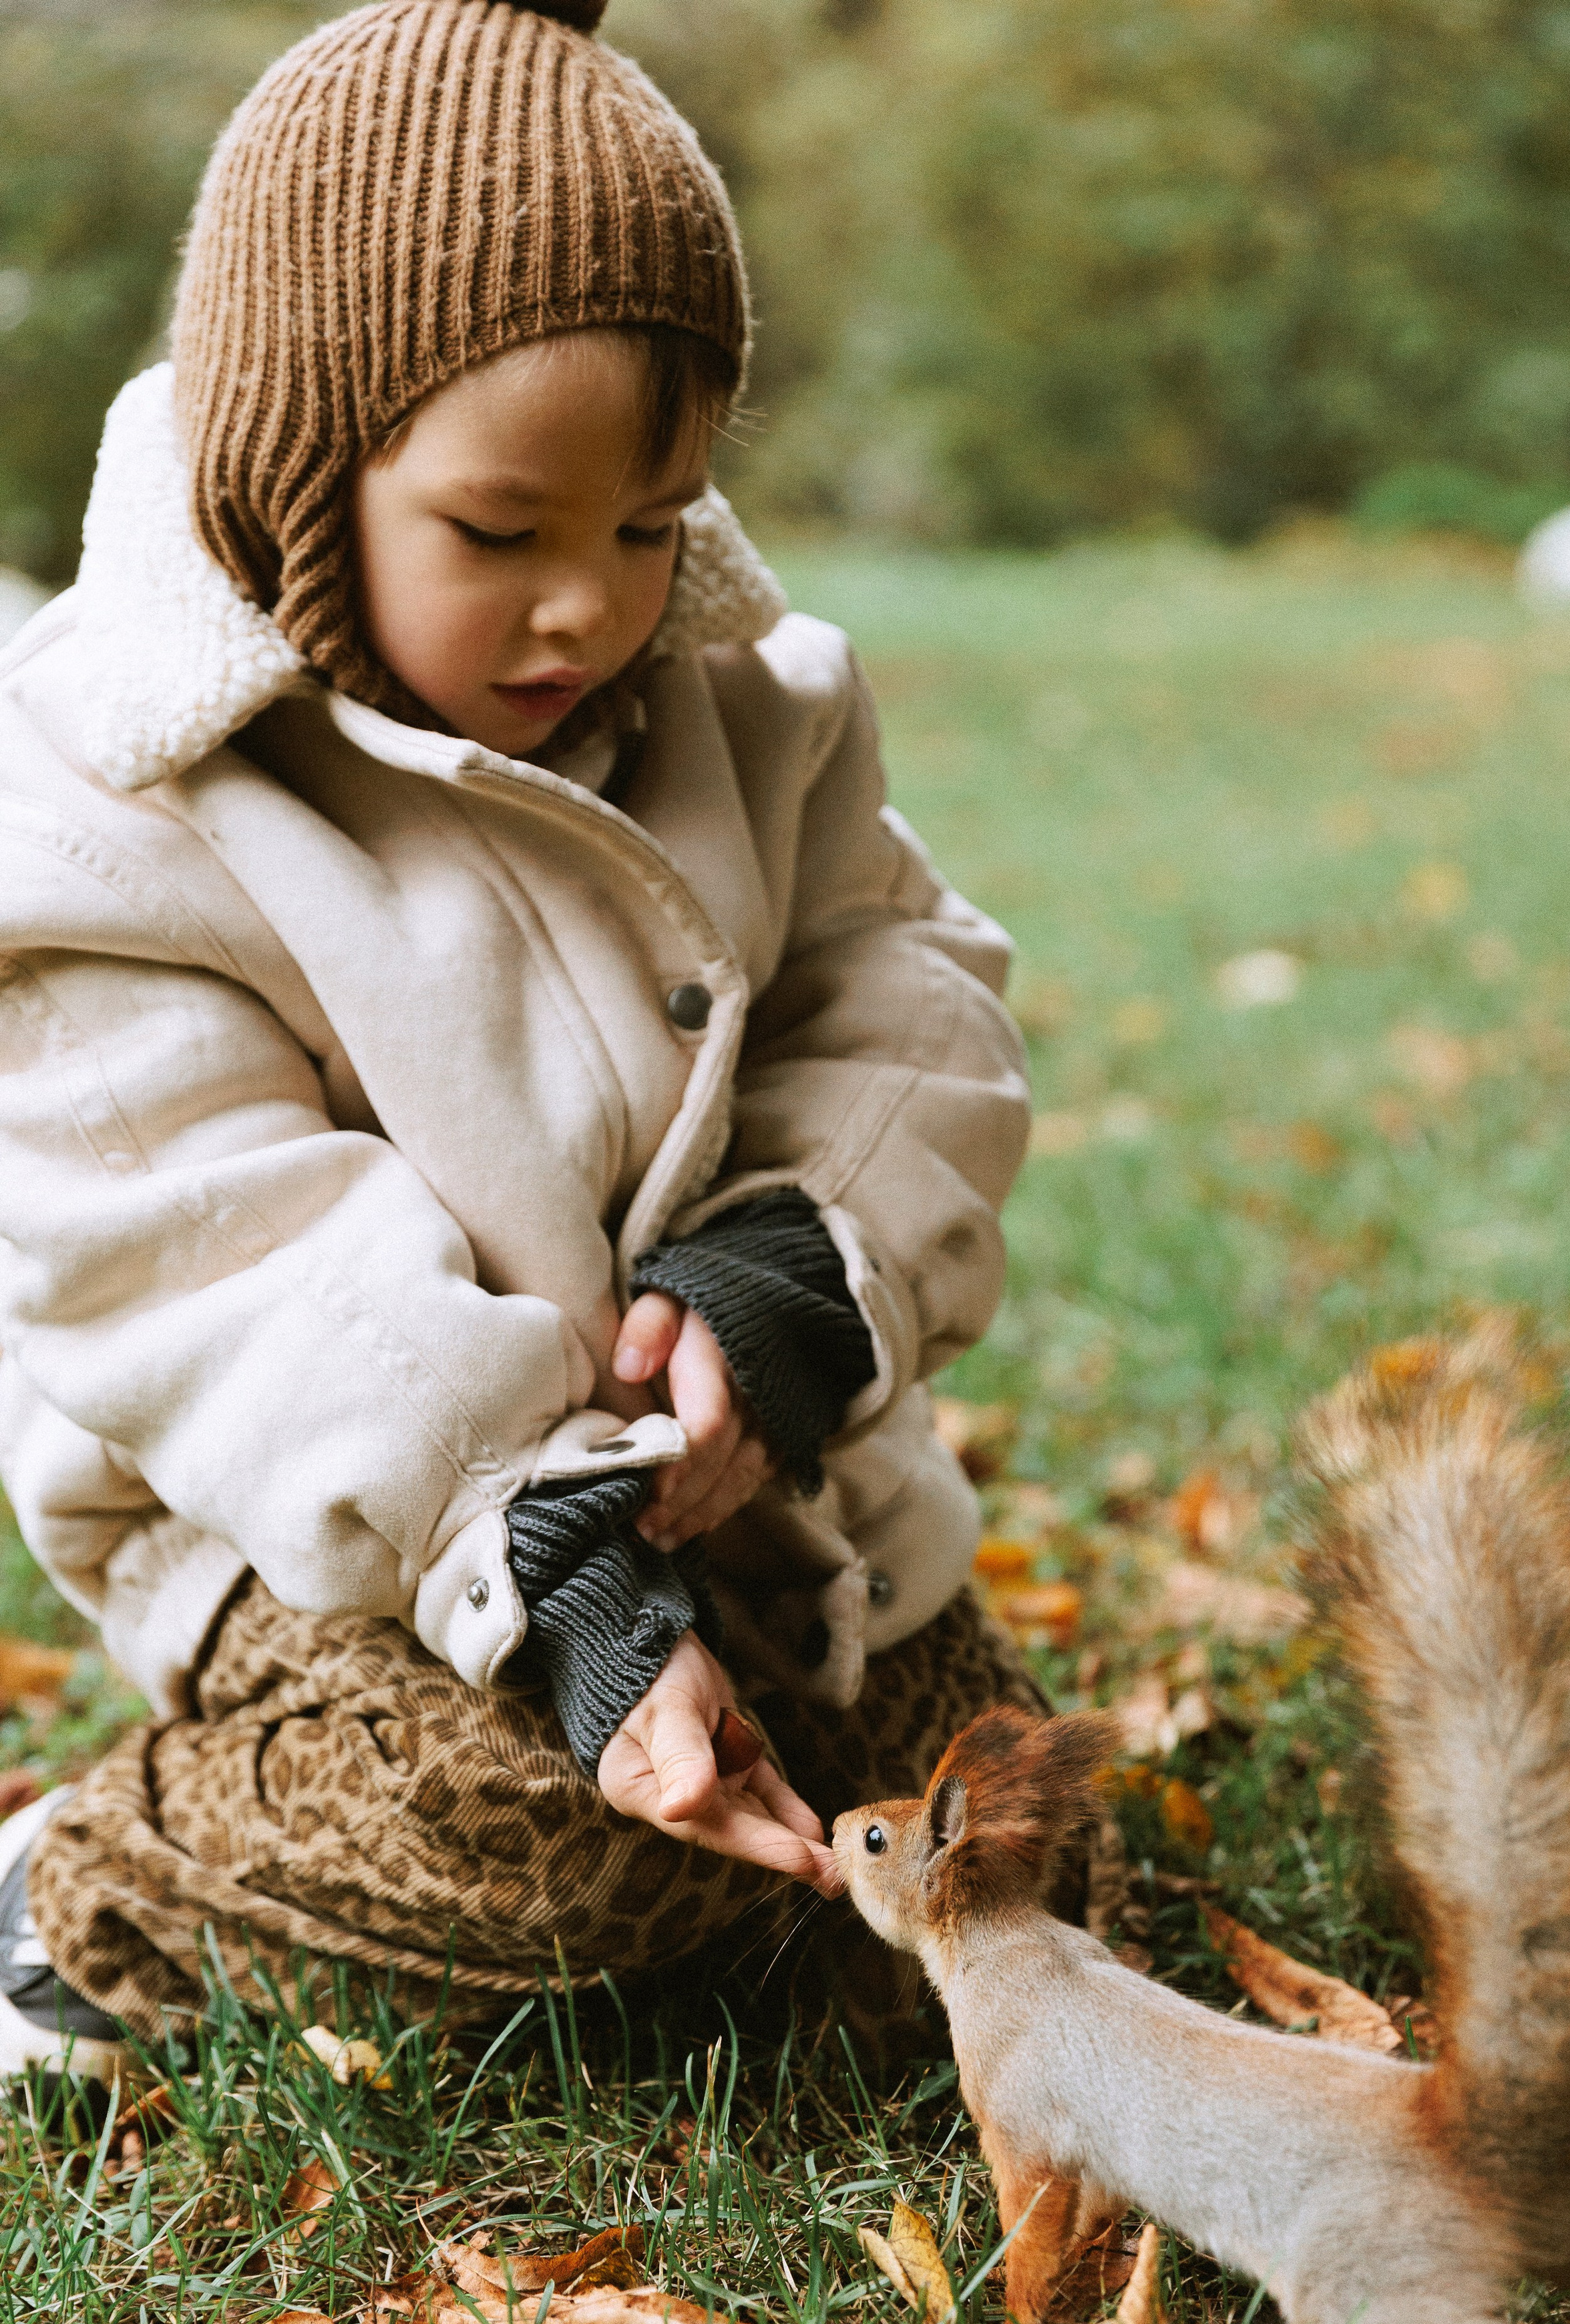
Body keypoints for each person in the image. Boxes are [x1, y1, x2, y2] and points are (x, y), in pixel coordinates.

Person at [0, 0, 1041, 2079]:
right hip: (353, 1530)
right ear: (302, 473)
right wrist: (551, 1564)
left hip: (735, 1491)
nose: (591, 606)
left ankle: (685, 1904)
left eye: (651, 525)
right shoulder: (117, 805)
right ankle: (87, 1902)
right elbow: (222, 1266)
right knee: (554, 1850)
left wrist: (796, 1271)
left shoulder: (746, 705)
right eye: (502, 536)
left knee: (998, 1853)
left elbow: (901, 987)